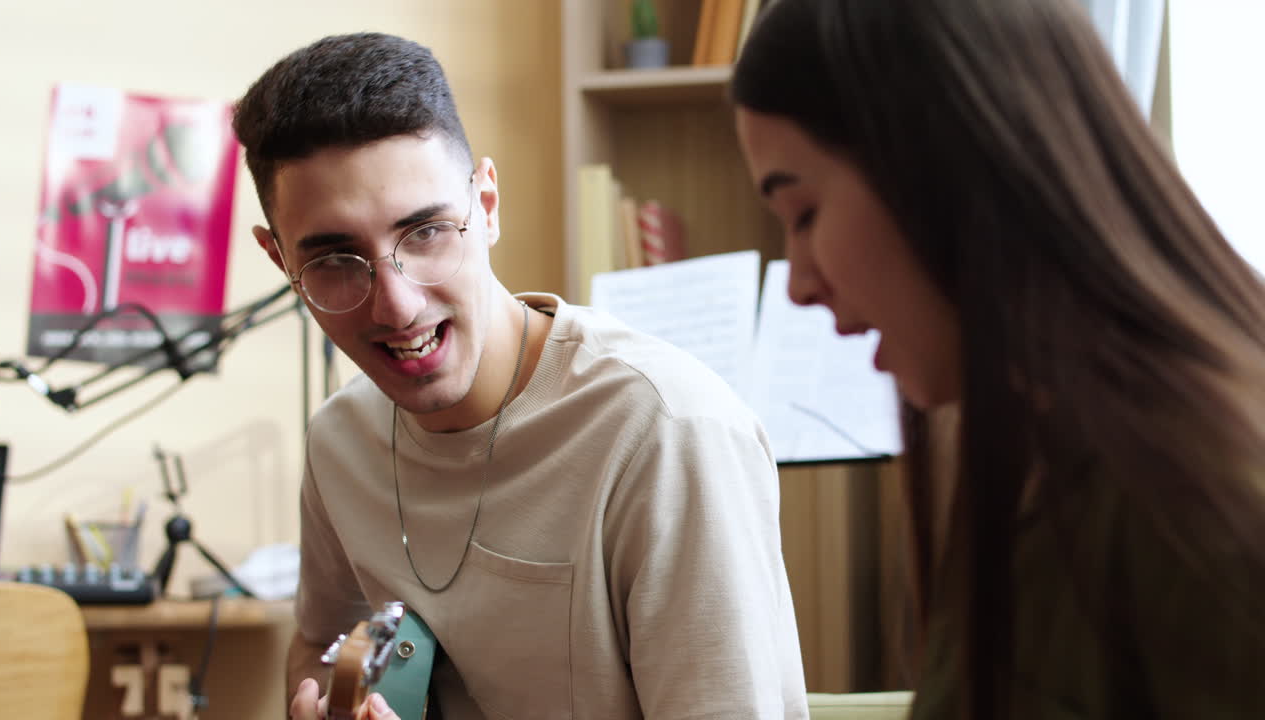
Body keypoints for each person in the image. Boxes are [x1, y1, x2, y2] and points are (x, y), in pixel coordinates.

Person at [233, 32, 808, 720]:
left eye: (426, 233)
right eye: (334, 260)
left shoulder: (668, 433)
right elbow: (326, 652)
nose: (398, 304)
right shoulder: (340, 442)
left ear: (488, 204)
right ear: (279, 260)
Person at [732, 0, 1265, 718]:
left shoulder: (1201, 509)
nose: (796, 284)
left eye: (803, 214)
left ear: (941, 160)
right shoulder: (1029, 471)